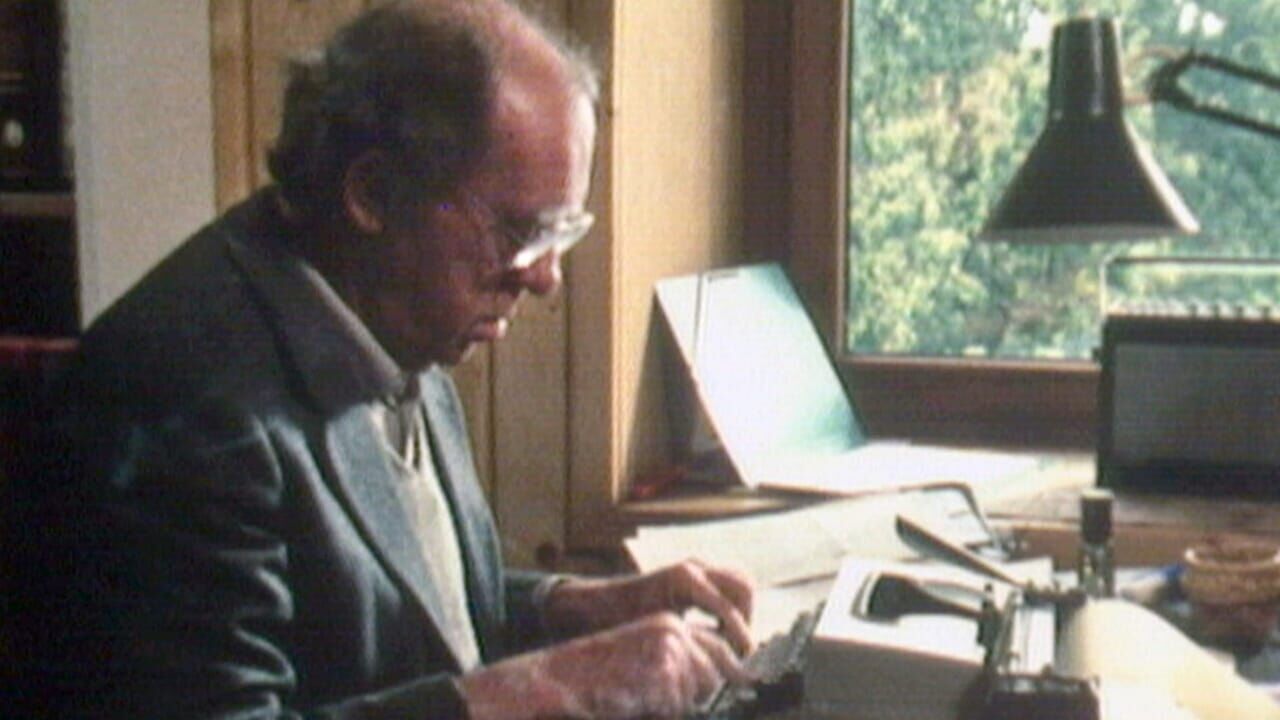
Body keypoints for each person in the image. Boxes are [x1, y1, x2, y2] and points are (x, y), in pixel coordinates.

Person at [6, 1, 755, 717]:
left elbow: (399, 609)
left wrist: (572, 606)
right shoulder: (183, 401)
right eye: (522, 233)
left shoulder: (392, 312)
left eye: (563, 233)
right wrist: (543, 687)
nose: (544, 277)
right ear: (372, 195)